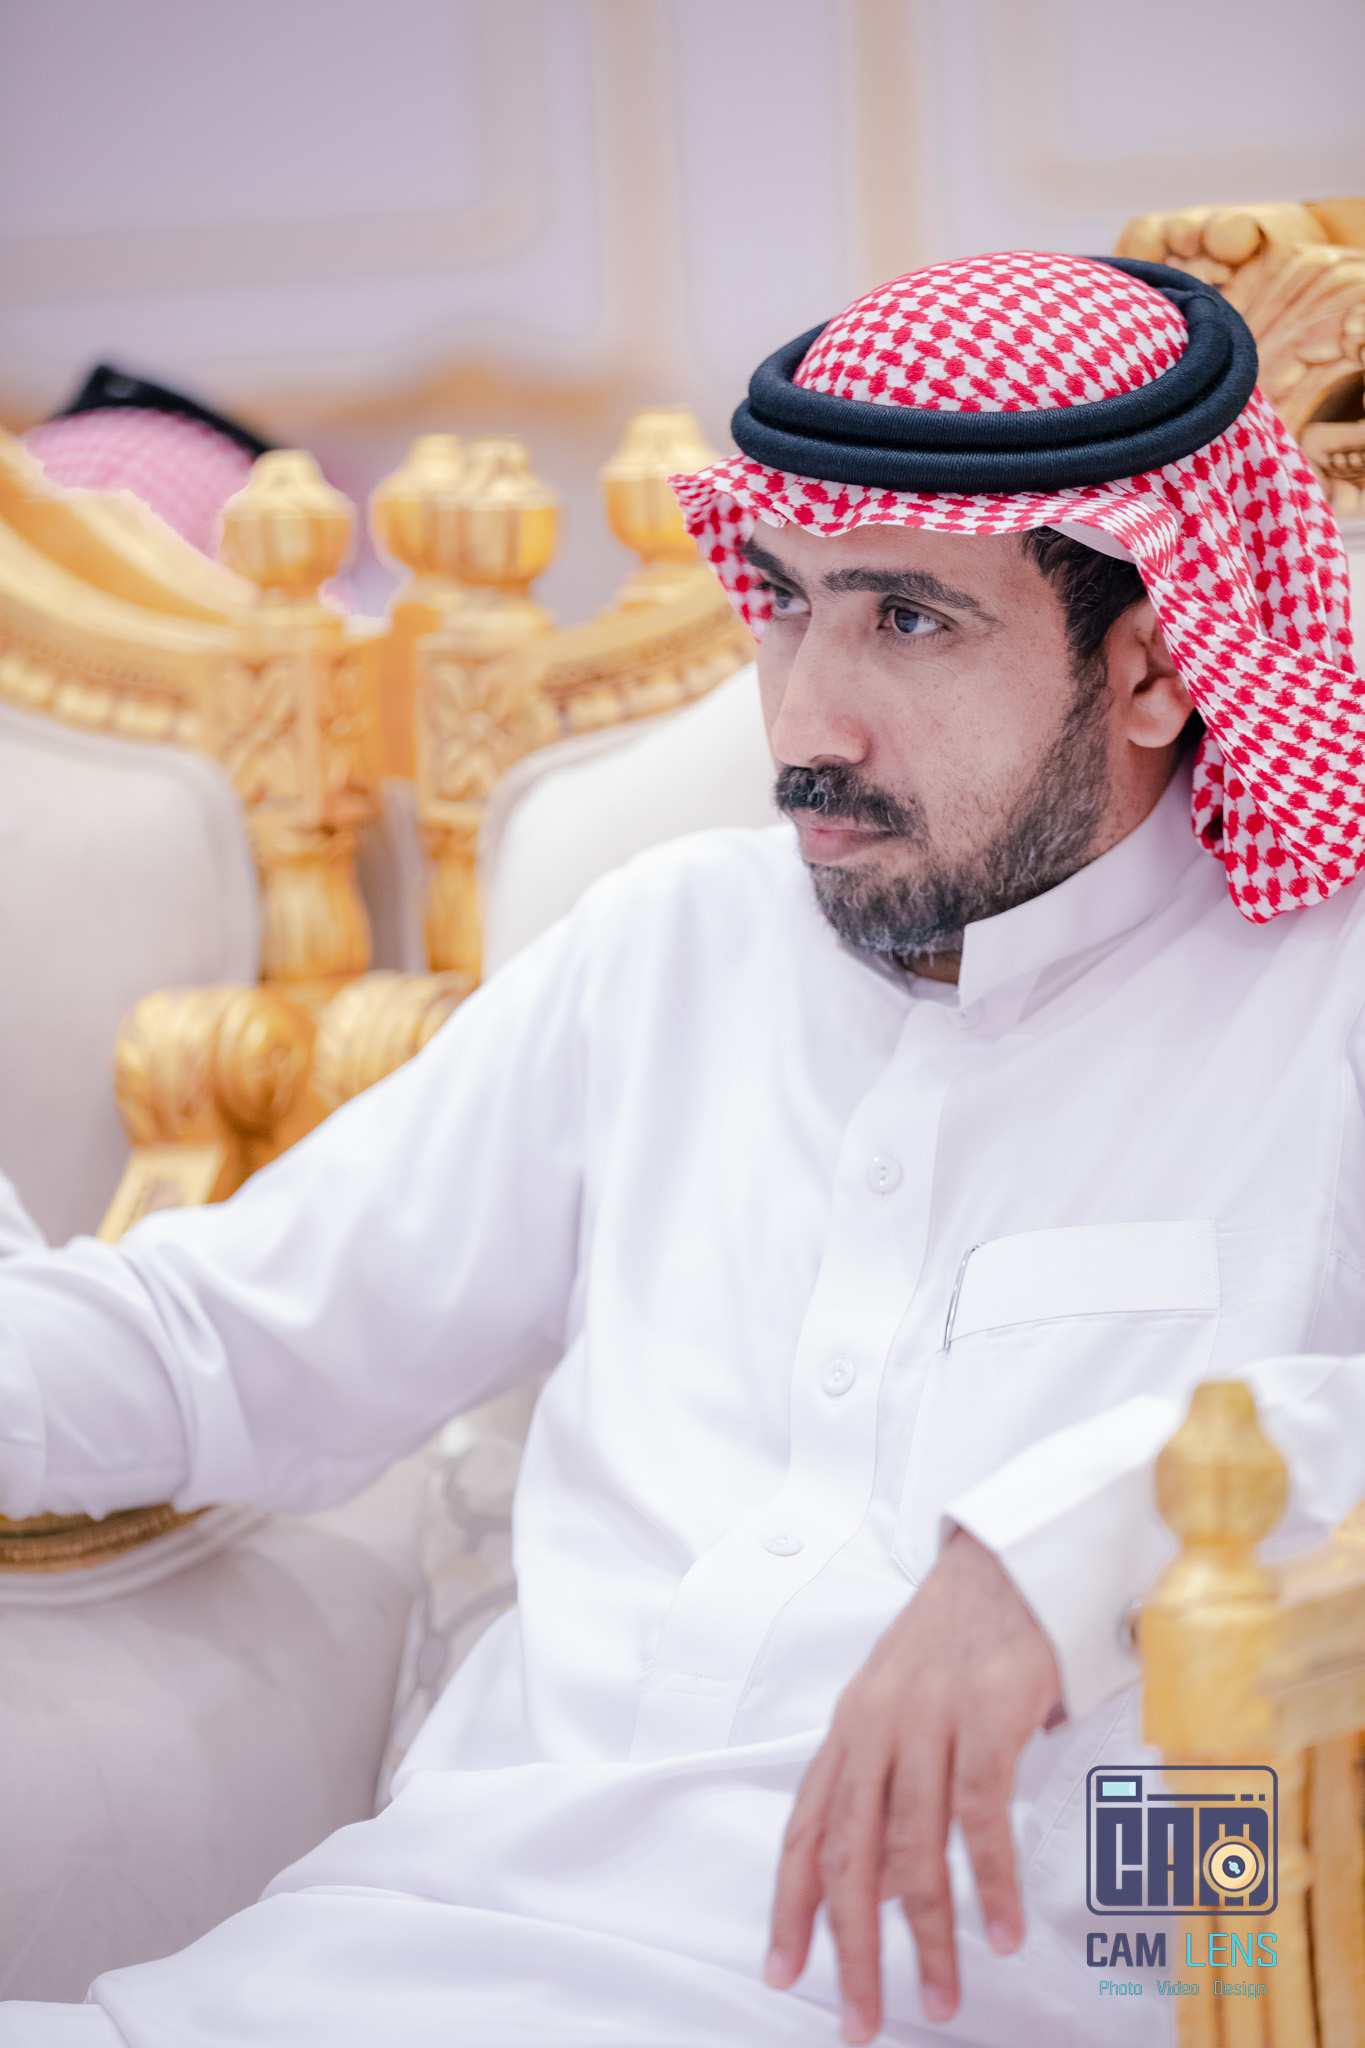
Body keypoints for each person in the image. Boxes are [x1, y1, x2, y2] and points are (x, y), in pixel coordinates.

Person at [1, 249, 1362, 2048]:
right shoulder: (673, 947)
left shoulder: (1322, 998)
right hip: (380, 1965)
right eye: (784, 603)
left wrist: (1073, 1545)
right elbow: (222, 1341)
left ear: (1155, 664)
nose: (801, 727)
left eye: (909, 621)